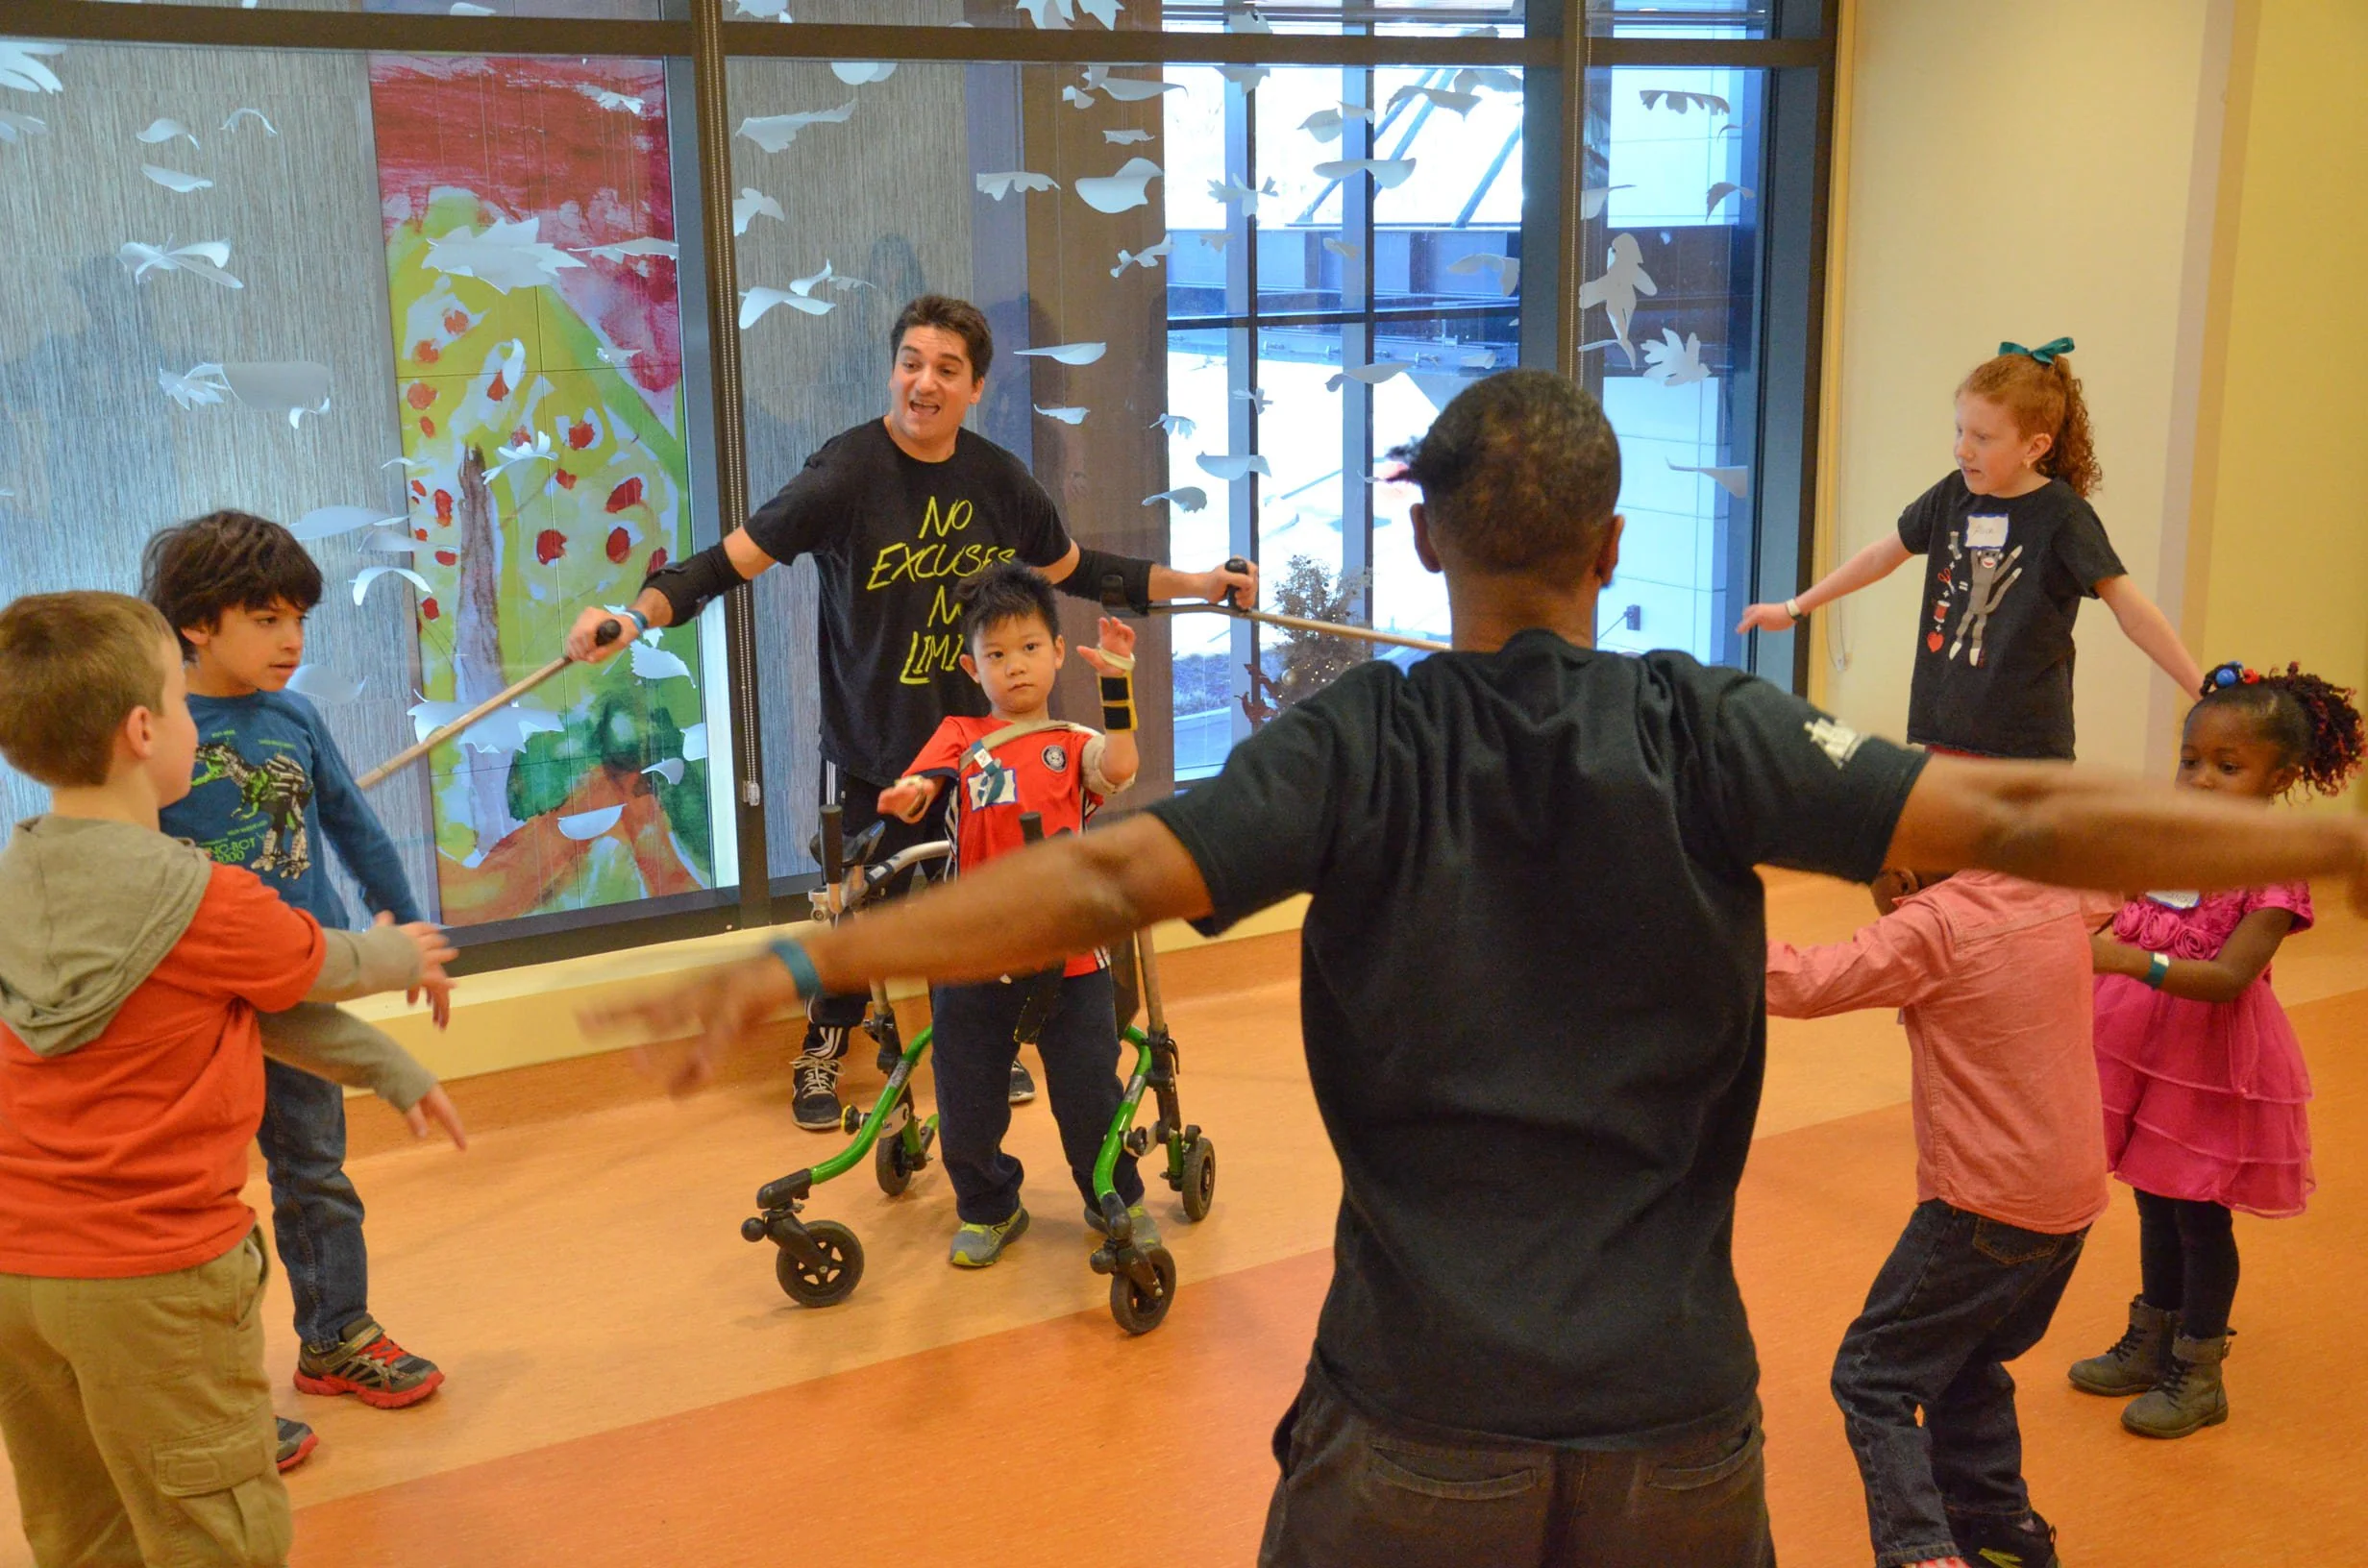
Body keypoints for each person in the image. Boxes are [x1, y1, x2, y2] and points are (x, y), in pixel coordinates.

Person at [586, 371, 2368, 1568]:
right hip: (1676, 1431)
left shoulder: (1358, 739)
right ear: (1607, 550)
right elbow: (2028, 821)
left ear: (1425, 542)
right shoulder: (1708, 726)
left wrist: (818, 951)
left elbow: (1114, 865)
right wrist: (2329, 842)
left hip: (1412, 1426)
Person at [563, 293, 1257, 1131]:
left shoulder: (998, 480)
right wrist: (635, 617)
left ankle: (979, 1052)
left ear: (977, 388)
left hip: (979, 751)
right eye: (911, 364)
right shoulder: (845, 474)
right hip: (874, 744)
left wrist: (1200, 589)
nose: (923, 383)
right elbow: (725, 563)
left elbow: (1079, 570)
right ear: (894, 371)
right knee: (860, 905)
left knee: (980, 911)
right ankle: (825, 1049)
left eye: (946, 370)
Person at [0, 591, 462, 1568]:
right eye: (178, 702)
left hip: (15, 1276)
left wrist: (388, 1069)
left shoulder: (13, 884)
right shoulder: (199, 895)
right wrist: (405, 954)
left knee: (81, 1529)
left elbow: (263, 1008)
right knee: (216, 1533)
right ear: (141, 732)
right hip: (152, 1281)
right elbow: (317, 965)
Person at [144, 511, 460, 1469]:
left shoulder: (294, 717)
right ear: (199, 623)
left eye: (300, 620)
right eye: (268, 619)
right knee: (195, 1202)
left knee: (315, 1168)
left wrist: (411, 936)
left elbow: (357, 830)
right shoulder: (150, 730)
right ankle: (210, 1399)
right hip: (188, 1011)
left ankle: (336, 1336)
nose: (293, 641)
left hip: (300, 985)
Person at [1766, 867, 2119, 1568]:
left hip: (1984, 1206)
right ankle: (1998, 1529)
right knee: (1967, 1353)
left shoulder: (1934, 924)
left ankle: (1921, 1553)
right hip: (2072, 1201)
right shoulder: (2051, 889)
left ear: (1901, 878)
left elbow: (1803, 981)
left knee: (1873, 1377)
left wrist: (1701, 933)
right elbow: (2116, 887)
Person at [2067, 661, 2364, 1441]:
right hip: (2138, 1041)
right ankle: (2152, 1336)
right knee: (2151, 1199)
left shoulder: (2272, 863)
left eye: (2227, 767)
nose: (2199, 779)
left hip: (2207, 1057)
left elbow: (2232, 976)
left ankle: (2199, 1373)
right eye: (2190, 760)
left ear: (2282, 776)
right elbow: (2129, 909)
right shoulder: (2175, 838)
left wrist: (2137, 963)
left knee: (2198, 1215)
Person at [872, 562, 1147, 1266]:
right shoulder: (961, 734)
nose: (1014, 667)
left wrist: (1117, 685)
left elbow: (1117, 766)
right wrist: (908, 796)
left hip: (1073, 958)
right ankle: (991, 1207)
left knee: (1090, 1096)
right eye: (995, 655)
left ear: (1058, 651)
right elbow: (922, 782)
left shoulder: (1074, 739)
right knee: (965, 1103)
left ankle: (1113, 1197)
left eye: (1029, 648)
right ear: (972, 666)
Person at [1739, 338, 2202, 758]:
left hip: (2023, 749)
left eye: (1982, 438)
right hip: (1945, 730)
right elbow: (1882, 556)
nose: (1963, 450)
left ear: (2035, 446)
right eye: (1960, 431)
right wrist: (1795, 608)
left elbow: (2134, 612)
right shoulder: (1950, 497)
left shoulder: (2064, 517)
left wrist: (2199, 688)